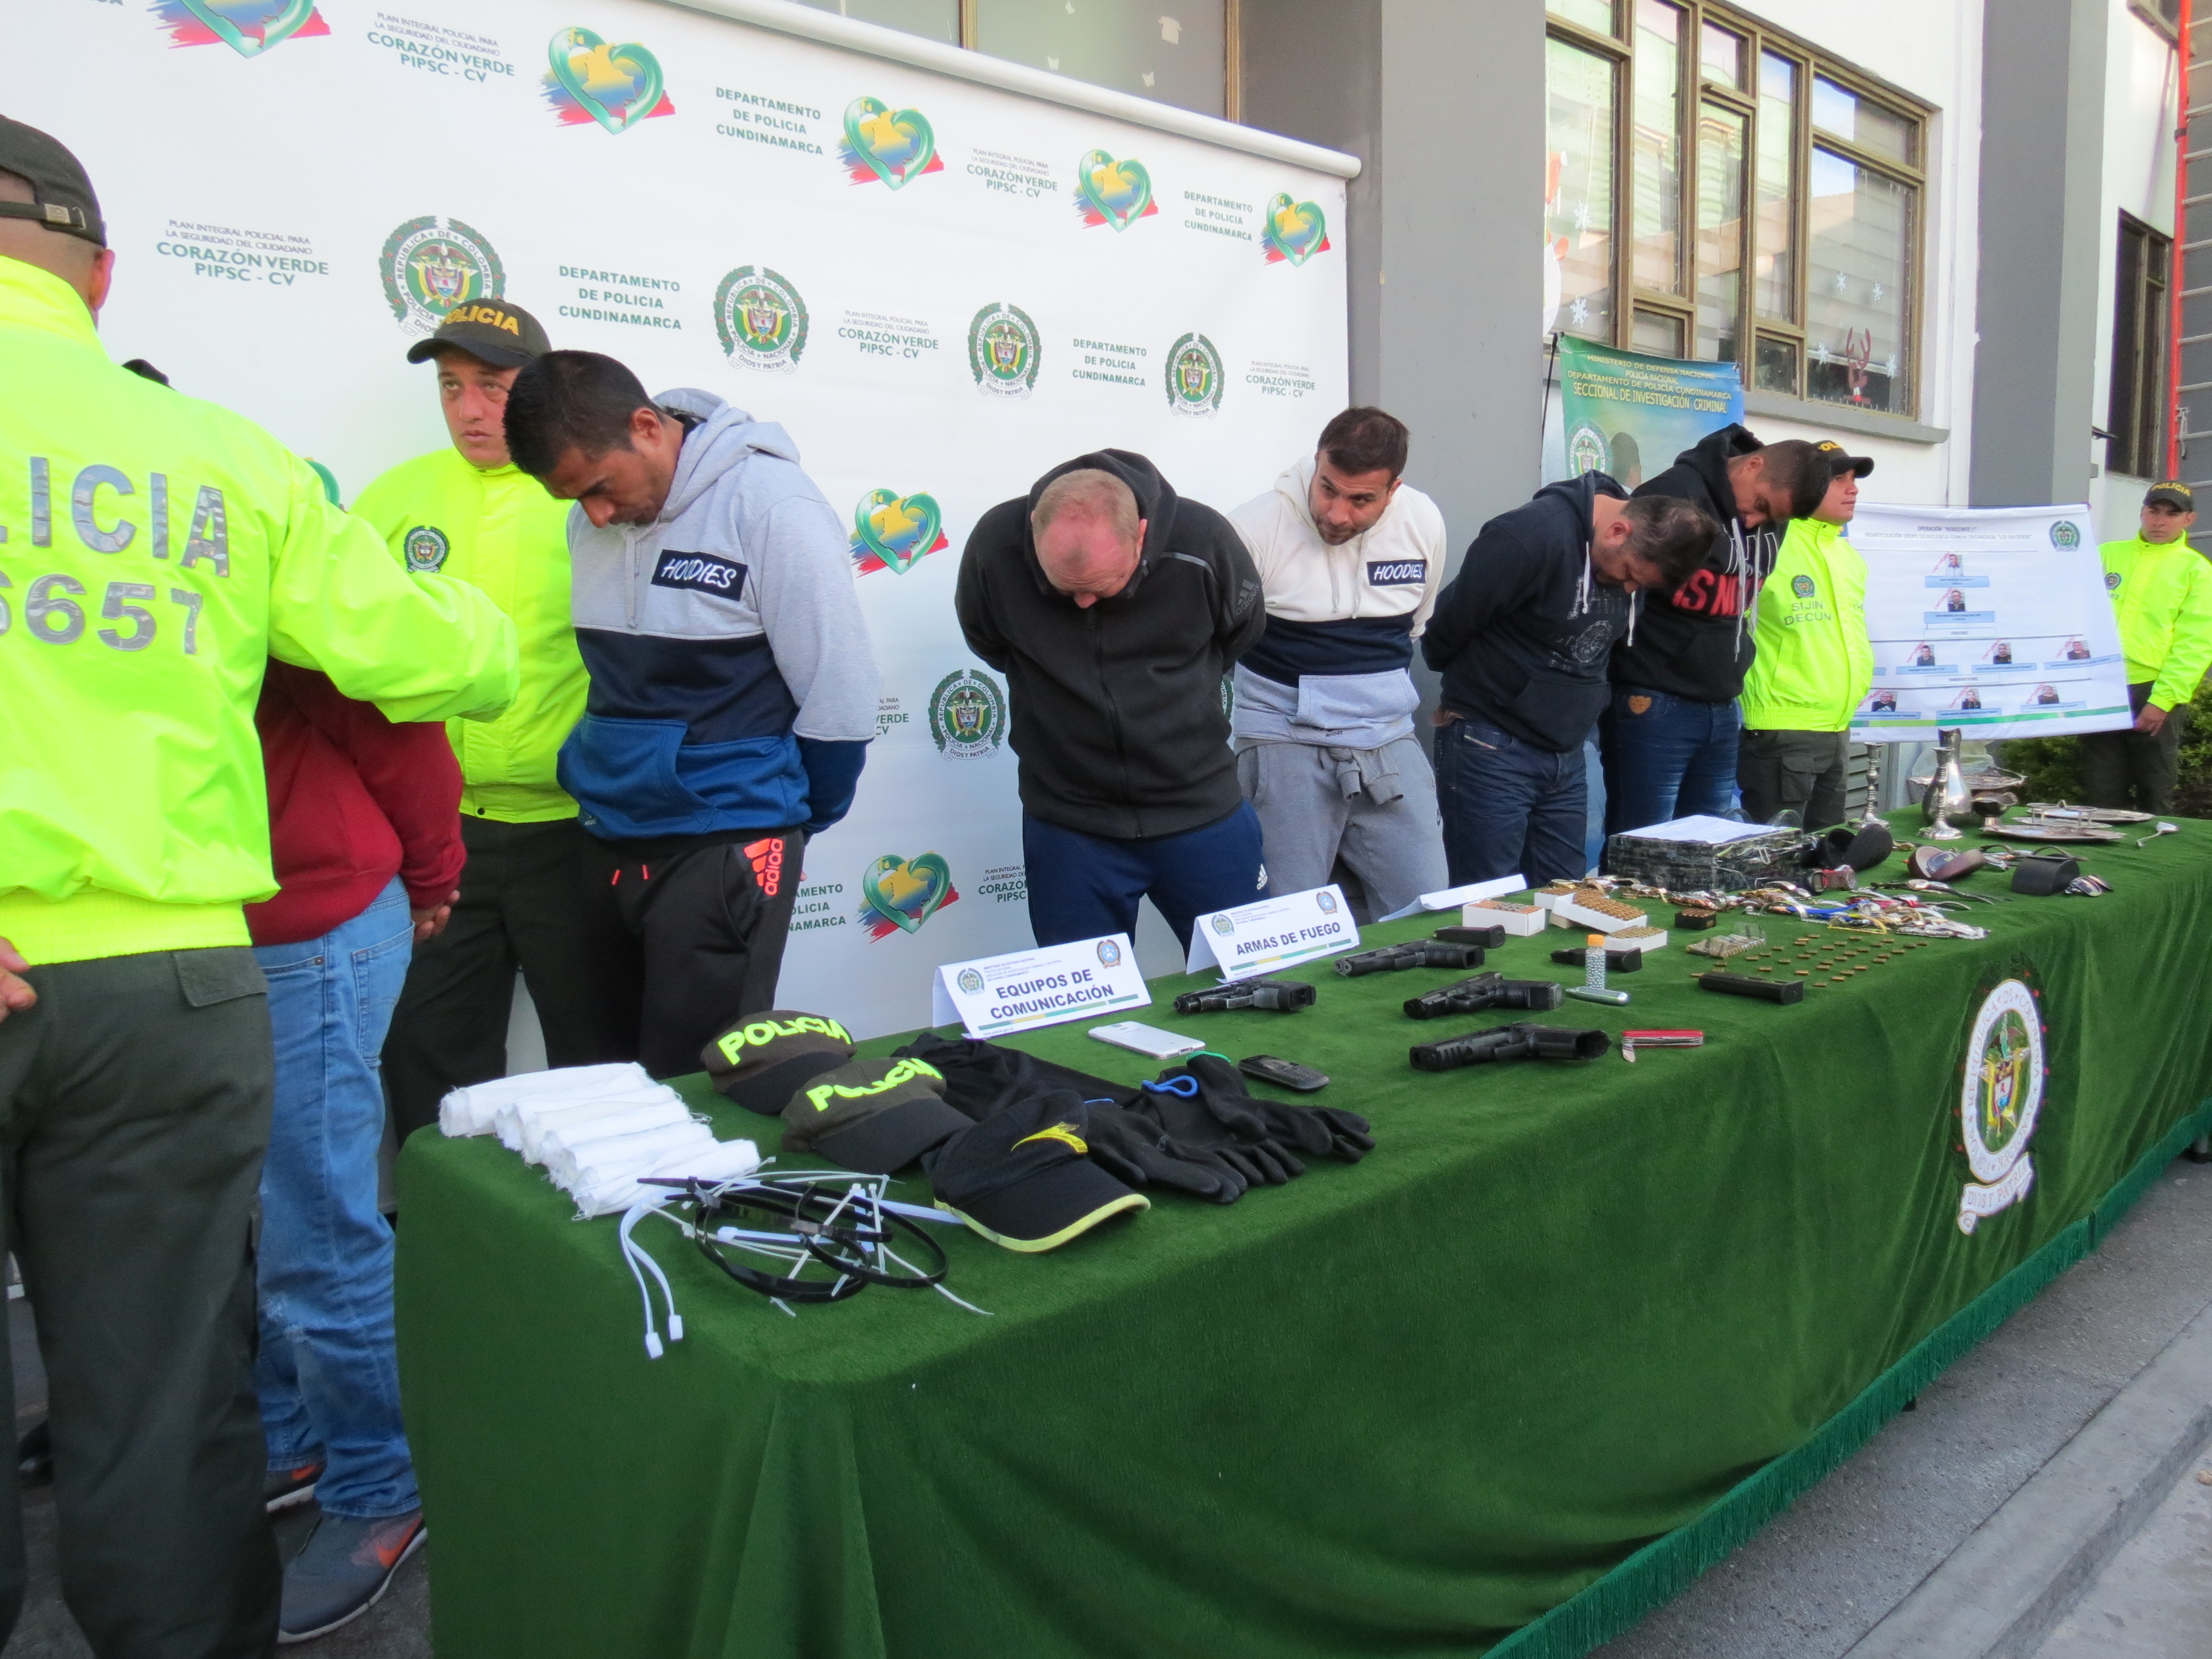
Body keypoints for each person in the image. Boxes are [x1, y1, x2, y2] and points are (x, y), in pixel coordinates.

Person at [0, 117, 515, 1655]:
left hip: (230, 950)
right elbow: (441, 661)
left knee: (285, 1263)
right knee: (164, 1412)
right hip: (177, 980)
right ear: (99, 277)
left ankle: (368, 1474)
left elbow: (391, 730)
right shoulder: (222, 459)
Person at [503, 350, 879, 1077]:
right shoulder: (592, 522)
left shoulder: (773, 506)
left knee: (700, 1079)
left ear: (648, 427)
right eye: (574, 499)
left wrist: (786, 816)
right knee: (597, 1077)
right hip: (608, 829)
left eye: (601, 488)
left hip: (729, 836)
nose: (596, 515)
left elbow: (842, 690)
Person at [246, 659, 463, 1639]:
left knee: (315, 1225)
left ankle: (383, 1483)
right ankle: (293, 1437)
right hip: (218, 929)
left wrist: (434, 873)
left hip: (317, 923)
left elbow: (399, 722)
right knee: (263, 1212)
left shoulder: (257, 543)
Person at [358, 301, 609, 1142]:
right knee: (430, 1063)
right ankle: (454, 1248)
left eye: (493, 388)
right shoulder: (394, 500)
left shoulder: (589, 496)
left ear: (536, 392)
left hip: (575, 833)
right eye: (451, 387)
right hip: (440, 842)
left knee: (599, 1059)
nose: (470, 409)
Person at [956, 454, 1267, 948]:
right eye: (1066, 589)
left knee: (1253, 985)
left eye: (1101, 588)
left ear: (1140, 536)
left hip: (1201, 811)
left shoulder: (1205, 541)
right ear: (1034, 529)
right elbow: (987, 640)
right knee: (1083, 1014)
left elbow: (1240, 634)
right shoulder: (994, 547)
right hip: (1069, 827)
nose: (1082, 604)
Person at [1422, 473, 1716, 884]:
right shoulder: (1529, 536)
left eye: (1641, 586)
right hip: (1490, 741)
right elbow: (1445, 630)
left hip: (1567, 750)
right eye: (1630, 573)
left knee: (1566, 896)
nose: (1630, 587)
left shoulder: (1636, 548)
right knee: (1487, 898)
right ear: (1617, 530)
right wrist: (1495, 692)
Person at [1227, 407, 1448, 917]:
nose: (1337, 513)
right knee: (1285, 924)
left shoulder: (1424, 520)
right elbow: (1220, 643)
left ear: (1393, 490)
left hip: (1390, 739)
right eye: (1328, 488)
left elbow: (1416, 623)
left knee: (1429, 910)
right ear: (1317, 462)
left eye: (1361, 499)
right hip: (1283, 740)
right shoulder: (1254, 527)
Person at [1600, 425, 1830, 832]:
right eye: (1759, 504)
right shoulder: (1674, 494)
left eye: (1772, 516)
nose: (1757, 520)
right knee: (1642, 846)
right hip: (1654, 699)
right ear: (1753, 465)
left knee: (1707, 849)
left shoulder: (1771, 509)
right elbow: (1620, 587)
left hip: (1724, 703)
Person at [1736, 441, 1875, 828]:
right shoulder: (1769, 543)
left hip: (1838, 727)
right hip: (1782, 729)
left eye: (1853, 479)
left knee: (1823, 860)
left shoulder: (1848, 556)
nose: (1853, 489)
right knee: (1774, 867)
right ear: (1805, 484)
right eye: (1837, 479)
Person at [2083, 482, 2212, 811]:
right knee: (2101, 791)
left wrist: (2163, 700)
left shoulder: (2196, 570)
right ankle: (2106, 862)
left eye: (2172, 514)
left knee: (2155, 791)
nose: (2160, 521)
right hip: (2102, 687)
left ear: (2189, 520)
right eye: (2154, 511)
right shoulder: (2107, 554)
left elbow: (2196, 644)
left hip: (2152, 690)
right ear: (2142, 512)